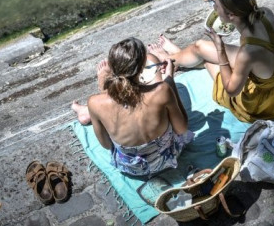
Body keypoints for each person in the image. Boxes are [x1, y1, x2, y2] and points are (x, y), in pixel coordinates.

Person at [150, 0, 274, 123]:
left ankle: (171, 60)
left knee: (208, 61)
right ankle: (175, 57)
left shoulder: (248, 53)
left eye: (217, 7)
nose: (215, 9)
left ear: (231, 16)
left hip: (271, 103)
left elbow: (231, 90)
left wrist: (220, 49)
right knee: (200, 46)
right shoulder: (265, 13)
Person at [72, 37, 194, 178]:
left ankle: (95, 98)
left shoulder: (94, 102)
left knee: (105, 103)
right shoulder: (162, 90)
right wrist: (170, 81)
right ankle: (95, 100)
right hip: (168, 157)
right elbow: (182, 129)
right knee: (153, 59)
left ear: (113, 69)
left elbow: (106, 145)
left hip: (131, 167)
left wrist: (104, 89)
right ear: (143, 67)